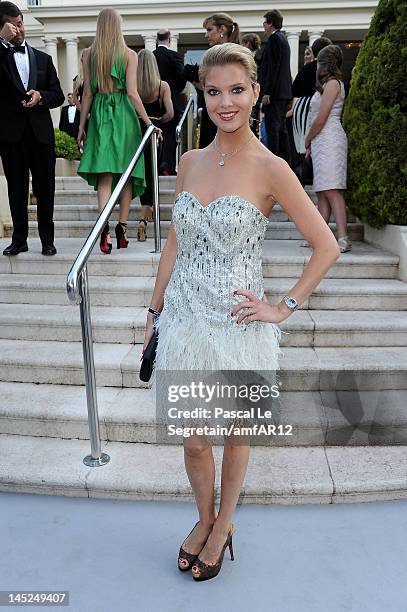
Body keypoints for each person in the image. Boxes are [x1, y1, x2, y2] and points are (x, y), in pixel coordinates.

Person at [142, 43, 340, 581]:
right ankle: (204, 520)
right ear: (200, 95)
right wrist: (154, 312)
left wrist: (283, 308)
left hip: (237, 324)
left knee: (234, 434)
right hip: (184, 322)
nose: (224, 103)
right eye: (212, 92)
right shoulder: (188, 162)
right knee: (193, 438)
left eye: (236, 90)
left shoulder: (272, 168)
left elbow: (327, 246)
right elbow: (174, 245)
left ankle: (225, 523)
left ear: (256, 92)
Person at [77, 8, 160, 254]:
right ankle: (121, 229)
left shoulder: (88, 54)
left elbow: (88, 93)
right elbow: (133, 93)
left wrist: (82, 126)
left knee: (105, 175)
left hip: (100, 114)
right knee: (126, 174)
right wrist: (148, 122)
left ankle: (103, 230)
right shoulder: (128, 55)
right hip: (124, 115)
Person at [0, 1, 64, 257]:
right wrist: (2, 44)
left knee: (45, 188)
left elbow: (59, 95)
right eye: (13, 26)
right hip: (11, 135)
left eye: (21, 23)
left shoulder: (44, 58)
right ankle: (19, 240)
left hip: (40, 133)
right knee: (16, 188)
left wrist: (42, 97)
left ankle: (48, 240)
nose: (20, 30)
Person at [305, 45, 351, 252]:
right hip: (321, 140)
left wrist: (307, 139)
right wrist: (312, 143)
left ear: (325, 63)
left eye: (319, 62)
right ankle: (320, 238)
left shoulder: (333, 84)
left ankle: (343, 238)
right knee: (322, 192)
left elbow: (322, 117)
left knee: (333, 190)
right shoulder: (325, 85)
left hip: (331, 137)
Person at [137, 49, 174, 240]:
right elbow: (170, 113)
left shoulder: (133, 84)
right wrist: (159, 119)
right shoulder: (162, 86)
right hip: (155, 132)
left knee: (141, 174)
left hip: (136, 132)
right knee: (152, 174)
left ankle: (145, 213)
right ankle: (145, 215)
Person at [197, 13, 241, 148]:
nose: (206, 35)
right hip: (212, 115)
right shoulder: (211, 56)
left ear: (222, 30)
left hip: (229, 117)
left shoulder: (237, 55)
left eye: (209, 30)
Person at [258, 9, 292, 162]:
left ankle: (274, 163)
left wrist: (267, 92)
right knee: (282, 131)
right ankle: (285, 163)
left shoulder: (274, 39)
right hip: (283, 92)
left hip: (275, 93)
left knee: (274, 130)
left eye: (264, 23)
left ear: (270, 23)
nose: (264, 27)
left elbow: (273, 67)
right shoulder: (283, 39)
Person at [153, 29, 186, 175]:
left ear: (156, 40)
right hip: (172, 102)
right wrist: (175, 92)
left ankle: (156, 164)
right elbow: (181, 79)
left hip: (152, 103)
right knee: (171, 135)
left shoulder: (151, 57)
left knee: (153, 134)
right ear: (170, 40)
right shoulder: (175, 56)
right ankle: (168, 165)